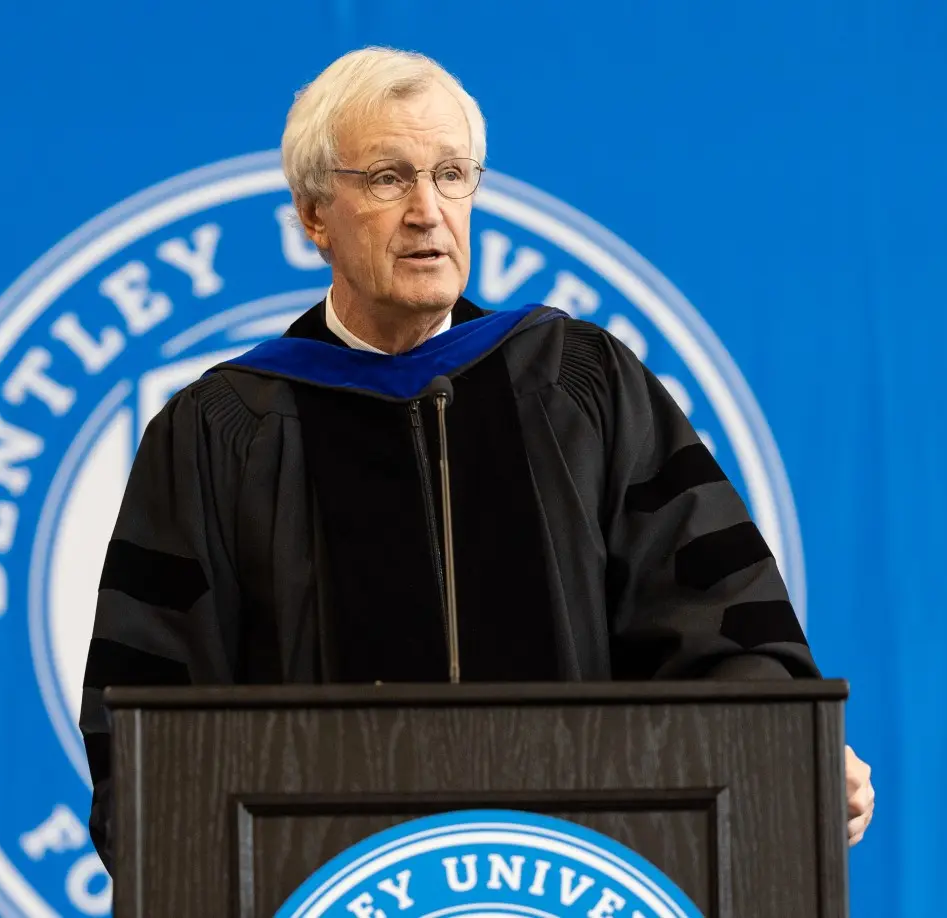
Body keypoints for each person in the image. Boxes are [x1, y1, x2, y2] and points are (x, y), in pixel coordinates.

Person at [78, 46, 875, 873]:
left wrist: (789, 748)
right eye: (389, 178)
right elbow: (153, 733)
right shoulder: (221, 430)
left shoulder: (581, 386)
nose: (428, 210)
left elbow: (720, 629)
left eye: (452, 174)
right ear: (315, 214)